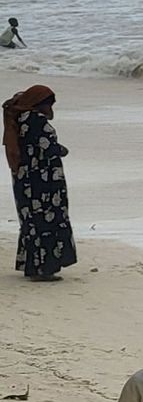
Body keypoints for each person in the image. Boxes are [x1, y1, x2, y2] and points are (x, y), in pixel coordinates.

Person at [6, 84, 76, 283]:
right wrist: (61, 150)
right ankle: (44, 268)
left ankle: (33, 265)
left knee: (32, 223)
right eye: (48, 104)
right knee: (47, 221)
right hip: (42, 183)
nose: (50, 109)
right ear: (39, 104)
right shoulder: (36, 120)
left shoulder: (21, 119)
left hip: (28, 180)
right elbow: (48, 147)